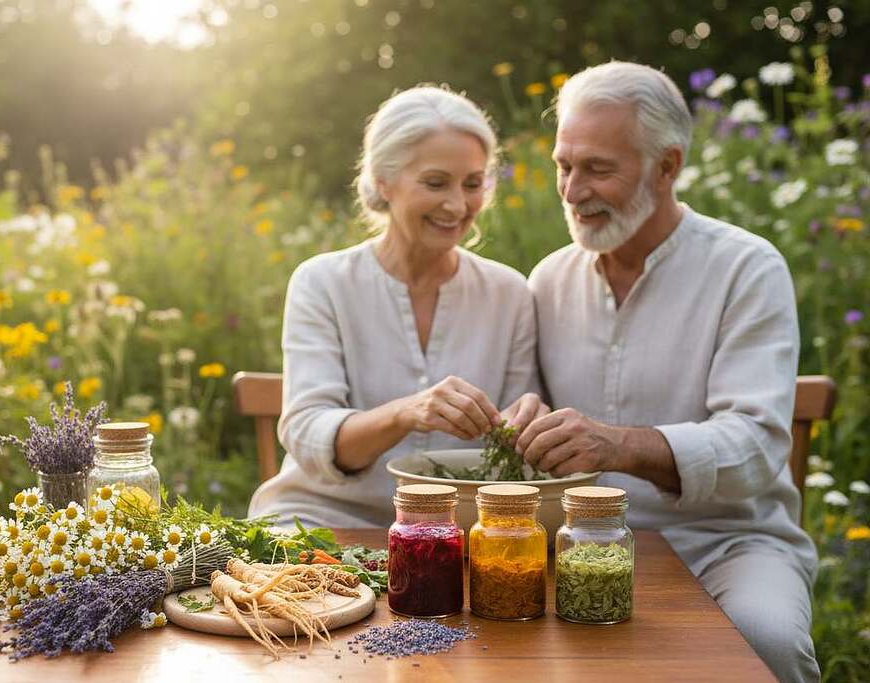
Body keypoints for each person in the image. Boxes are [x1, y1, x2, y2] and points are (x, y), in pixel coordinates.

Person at [507, 61, 818, 683]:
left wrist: (618, 444)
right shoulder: (547, 279)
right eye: (564, 166)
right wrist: (523, 420)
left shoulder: (746, 269)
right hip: (577, 543)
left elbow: (756, 448)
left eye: (598, 168)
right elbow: (526, 407)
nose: (571, 190)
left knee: (767, 642)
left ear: (668, 165)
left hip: (727, 543)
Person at [248, 85, 544, 528]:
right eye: (435, 182)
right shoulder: (323, 282)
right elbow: (308, 435)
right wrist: (407, 412)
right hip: (323, 520)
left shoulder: (509, 293)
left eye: (473, 183)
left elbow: (514, 450)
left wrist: (526, 427)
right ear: (383, 181)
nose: (458, 205)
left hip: (461, 529)